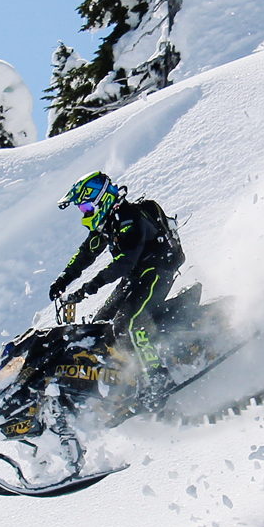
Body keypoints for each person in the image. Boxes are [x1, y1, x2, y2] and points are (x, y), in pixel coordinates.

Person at [50, 171, 185, 403]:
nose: (85, 214)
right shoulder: (108, 223)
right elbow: (86, 253)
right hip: (135, 277)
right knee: (100, 328)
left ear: (100, 200)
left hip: (156, 271)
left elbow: (125, 261)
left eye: (85, 208)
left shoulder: (128, 217)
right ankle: (116, 382)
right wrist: (62, 280)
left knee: (131, 323)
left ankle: (158, 377)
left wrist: (89, 288)